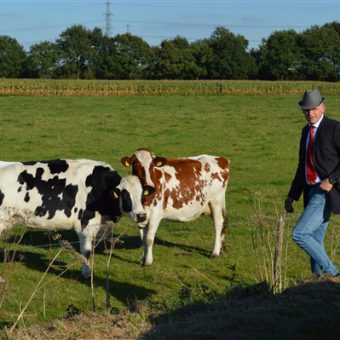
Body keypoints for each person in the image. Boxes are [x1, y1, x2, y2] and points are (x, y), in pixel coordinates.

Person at [285, 89, 339, 277]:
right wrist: (293, 195)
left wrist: (332, 179)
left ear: (323, 107)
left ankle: (333, 273)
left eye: (313, 109)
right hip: (309, 191)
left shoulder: (334, 128)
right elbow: (303, 165)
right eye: (306, 110)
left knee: (300, 234)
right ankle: (318, 281)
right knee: (315, 238)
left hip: (325, 192)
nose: (310, 113)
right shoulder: (305, 131)